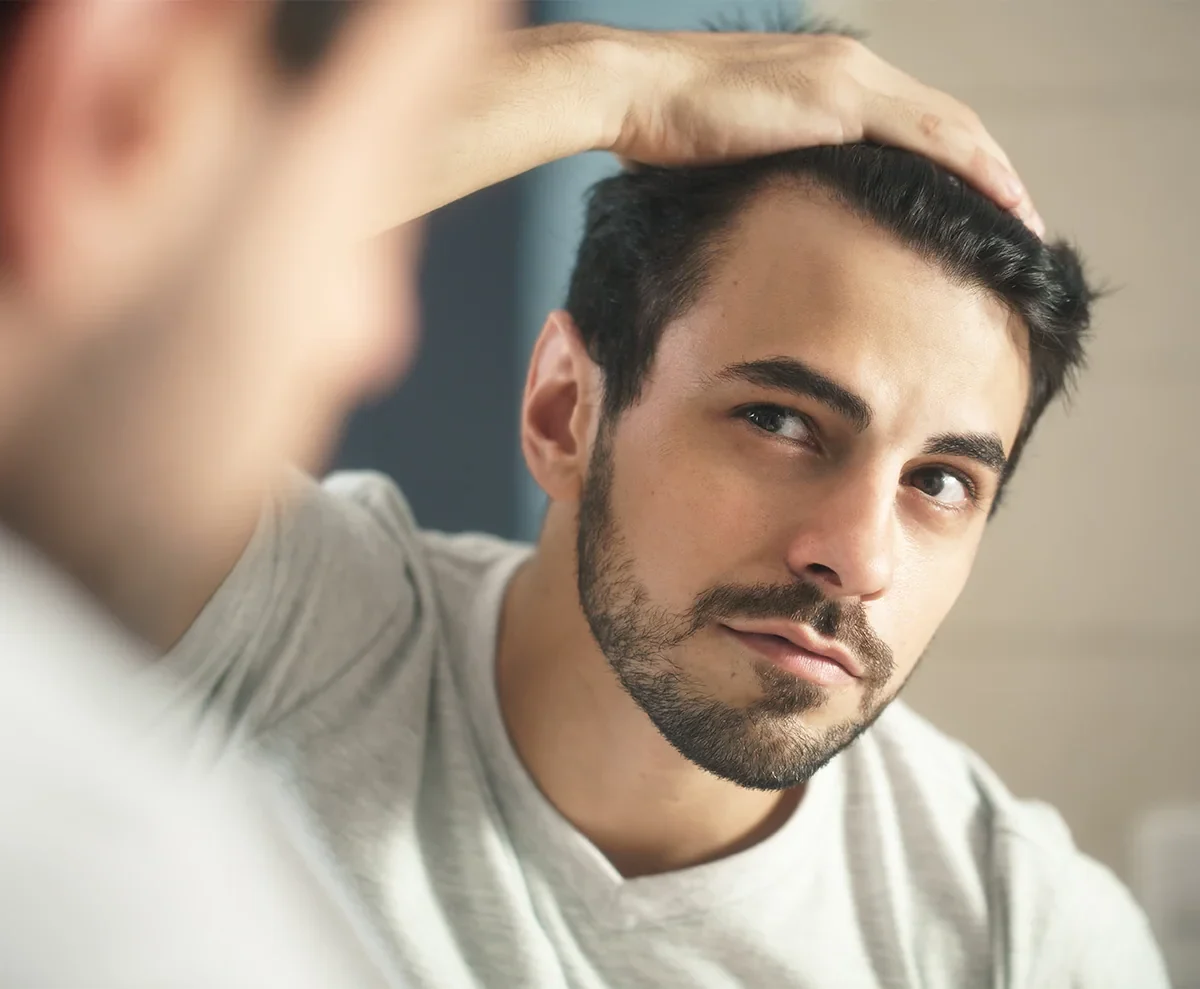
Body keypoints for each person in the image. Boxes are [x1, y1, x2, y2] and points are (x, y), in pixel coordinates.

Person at [0, 3, 1160, 988]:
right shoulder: (271, 616)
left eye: (941, 482)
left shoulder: (1028, 936)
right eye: (779, 420)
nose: (858, 554)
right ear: (566, 409)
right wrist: (624, 82)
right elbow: (96, 250)